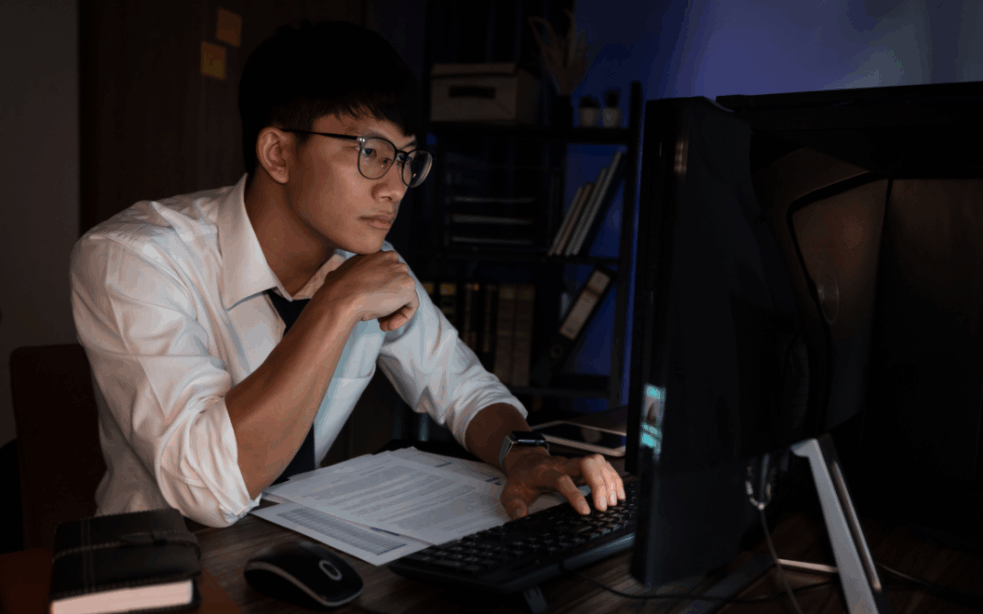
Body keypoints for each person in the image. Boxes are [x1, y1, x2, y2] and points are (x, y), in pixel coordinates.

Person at [70, 20, 624, 528]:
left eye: (405, 158)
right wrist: (336, 305)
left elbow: (463, 390)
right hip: (157, 570)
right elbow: (208, 488)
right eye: (370, 153)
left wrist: (523, 454)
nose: (396, 186)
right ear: (278, 154)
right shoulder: (133, 260)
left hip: (288, 545)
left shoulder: (367, 263)